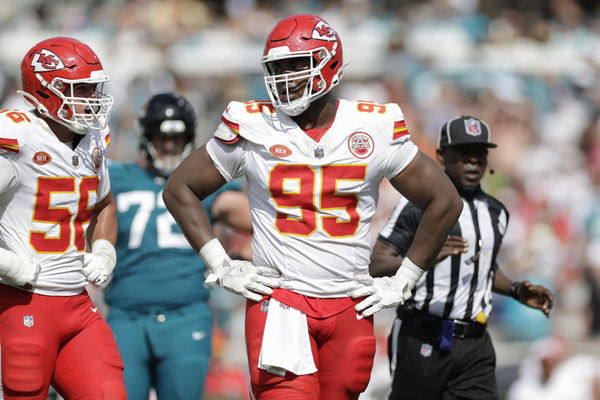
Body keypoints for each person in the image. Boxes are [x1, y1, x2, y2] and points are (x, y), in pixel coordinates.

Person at [163, 14, 463, 400]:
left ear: (329, 64)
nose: (283, 78)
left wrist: (406, 277)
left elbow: (444, 200)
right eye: (277, 68)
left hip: (350, 305)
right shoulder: (255, 125)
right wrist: (220, 264)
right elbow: (180, 187)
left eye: (295, 65)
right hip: (282, 301)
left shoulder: (372, 126)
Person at [371, 115, 555, 400]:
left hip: (475, 342)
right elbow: (377, 262)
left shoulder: (496, 212)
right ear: (442, 156)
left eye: (479, 153)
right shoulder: (417, 206)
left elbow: (484, 268)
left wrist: (516, 289)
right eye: (464, 153)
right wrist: (422, 260)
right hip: (423, 333)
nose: (473, 161)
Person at [0, 37, 126, 399]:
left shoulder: (92, 140)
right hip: (22, 301)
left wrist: (103, 250)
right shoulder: (18, 137)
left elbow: (103, 203)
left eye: (92, 87)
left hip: (76, 304)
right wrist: (4, 261)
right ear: (44, 91)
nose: (90, 98)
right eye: (79, 88)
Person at [104, 92, 251, 399]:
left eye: (177, 136)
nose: (169, 145)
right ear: (145, 136)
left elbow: (270, 224)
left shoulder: (201, 183)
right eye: (160, 136)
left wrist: (243, 255)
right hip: (125, 315)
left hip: (186, 316)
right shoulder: (115, 177)